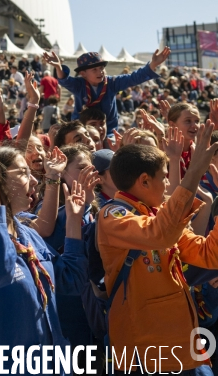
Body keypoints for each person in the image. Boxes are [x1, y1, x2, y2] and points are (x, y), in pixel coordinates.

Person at [0, 130, 87, 375]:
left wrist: (74, 222)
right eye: (23, 173)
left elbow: (72, 281)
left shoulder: (27, 235)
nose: (33, 181)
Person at [98, 124, 218, 374]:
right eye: (164, 177)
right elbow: (159, 235)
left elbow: (209, 254)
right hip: (146, 352)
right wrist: (194, 171)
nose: (167, 185)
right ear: (144, 181)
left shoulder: (159, 215)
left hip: (184, 348)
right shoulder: (113, 216)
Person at [43, 48, 171, 134]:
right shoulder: (79, 85)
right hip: (82, 132)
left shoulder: (112, 83)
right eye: (94, 70)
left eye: (101, 68)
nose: (100, 72)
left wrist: (153, 64)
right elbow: (65, 80)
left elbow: (134, 78)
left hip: (108, 131)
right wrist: (58, 67)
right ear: (83, 73)